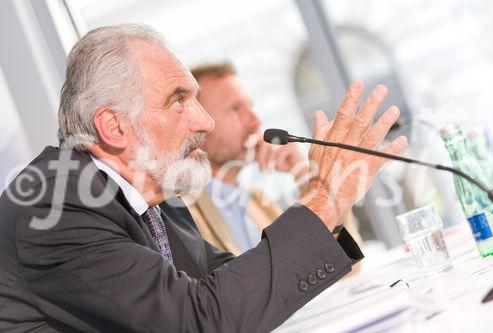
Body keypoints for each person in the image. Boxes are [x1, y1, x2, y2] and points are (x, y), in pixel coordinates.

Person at [0, 24, 406, 332]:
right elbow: (196, 320)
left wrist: (326, 199)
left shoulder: (154, 197)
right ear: (114, 127)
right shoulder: (52, 207)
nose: (205, 121)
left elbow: (234, 290)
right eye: (178, 101)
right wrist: (325, 197)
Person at [188, 62, 362, 255]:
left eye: (250, 107)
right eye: (235, 109)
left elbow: (339, 265)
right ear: (198, 126)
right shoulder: (184, 216)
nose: (255, 121)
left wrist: (305, 175)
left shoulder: (258, 201)